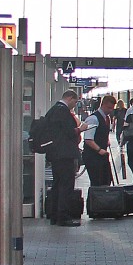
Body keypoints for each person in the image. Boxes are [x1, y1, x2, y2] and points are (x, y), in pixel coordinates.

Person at [44, 90, 87, 227]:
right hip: (64, 155)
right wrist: (81, 129)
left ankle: (55, 216)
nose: (74, 105)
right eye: (75, 102)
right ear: (69, 98)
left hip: (56, 154)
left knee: (57, 184)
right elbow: (69, 132)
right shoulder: (62, 111)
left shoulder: (53, 110)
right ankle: (63, 217)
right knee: (66, 185)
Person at [81, 95, 117, 187]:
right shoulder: (93, 119)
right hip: (92, 156)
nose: (110, 110)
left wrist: (106, 141)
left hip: (101, 156)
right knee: (97, 183)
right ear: (103, 104)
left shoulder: (106, 118)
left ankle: (102, 200)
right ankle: (94, 201)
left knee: (105, 181)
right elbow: (88, 139)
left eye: (112, 108)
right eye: (109, 108)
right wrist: (99, 150)